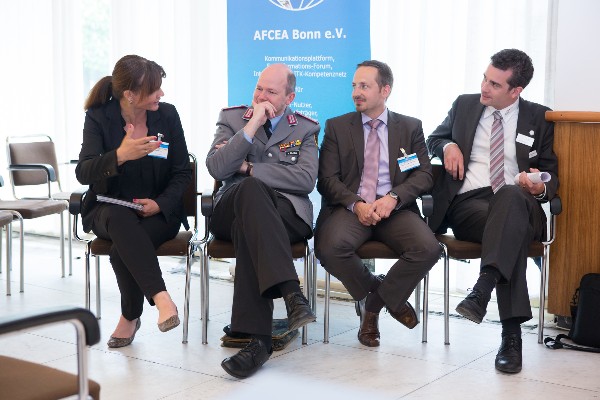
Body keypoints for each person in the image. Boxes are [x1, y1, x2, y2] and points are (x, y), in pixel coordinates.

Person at [426, 48, 559, 373]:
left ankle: (483, 287)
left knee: (511, 199)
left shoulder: (539, 117)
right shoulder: (465, 105)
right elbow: (433, 139)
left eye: (495, 84)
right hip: (470, 206)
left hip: (519, 201)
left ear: (516, 90)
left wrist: (539, 185)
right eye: (485, 78)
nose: (484, 87)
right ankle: (510, 337)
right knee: (507, 233)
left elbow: (553, 175)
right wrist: (448, 146)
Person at [314, 60, 441, 348]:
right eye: (354, 86)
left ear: (385, 90)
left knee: (428, 248)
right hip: (351, 209)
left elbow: (424, 174)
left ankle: (371, 307)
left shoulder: (410, 127)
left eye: (364, 86)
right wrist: (356, 203)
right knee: (329, 248)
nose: (356, 92)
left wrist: (394, 198)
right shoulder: (337, 127)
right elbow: (327, 180)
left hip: (395, 209)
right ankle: (380, 291)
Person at [206, 63, 319, 378]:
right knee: (250, 198)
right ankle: (291, 294)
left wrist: (250, 169)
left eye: (271, 91)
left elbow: (305, 179)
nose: (261, 95)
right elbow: (217, 167)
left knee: (252, 211)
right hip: (229, 209)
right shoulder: (233, 118)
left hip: (287, 212)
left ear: (289, 97)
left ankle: (258, 341)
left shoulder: (305, 128)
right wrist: (252, 125)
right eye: (259, 88)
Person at [76, 55, 192, 348]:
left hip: (156, 213)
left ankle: (130, 316)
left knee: (122, 251)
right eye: (154, 90)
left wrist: (161, 204)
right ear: (129, 94)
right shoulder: (99, 117)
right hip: (107, 209)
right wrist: (120, 155)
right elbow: (83, 172)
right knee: (119, 218)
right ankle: (162, 299)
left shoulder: (167, 115)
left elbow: (181, 171)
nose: (161, 95)